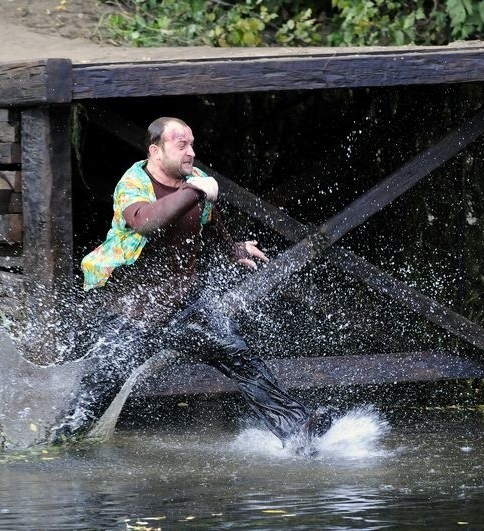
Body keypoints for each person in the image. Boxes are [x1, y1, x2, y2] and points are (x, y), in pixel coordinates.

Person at [51, 117, 332, 449]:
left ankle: (297, 428)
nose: (190, 153)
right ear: (156, 151)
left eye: (192, 144)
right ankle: (58, 445)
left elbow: (209, 221)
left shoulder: (195, 180)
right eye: (181, 145)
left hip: (187, 307)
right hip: (134, 312)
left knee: (241, 359)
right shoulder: (134, 183)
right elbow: (146, 224)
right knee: (97, 390)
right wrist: (192, 191)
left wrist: (234, 248)